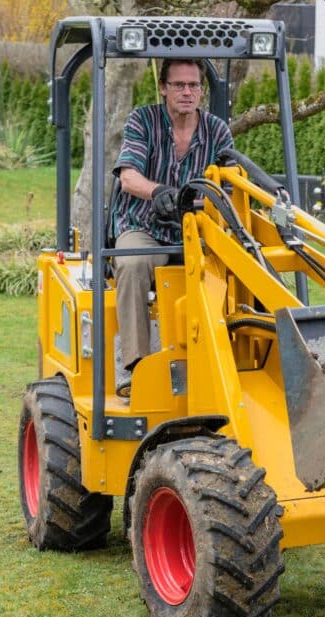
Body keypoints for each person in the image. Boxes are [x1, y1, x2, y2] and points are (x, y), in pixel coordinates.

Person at [111, 58, 235, 397]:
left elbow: (229, 185)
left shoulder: (217, 131)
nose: (187, 92)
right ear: (163, 88)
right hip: (143, 226)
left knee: (241, 267)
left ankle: (229, 364)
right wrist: (158, 192)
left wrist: (199, 205)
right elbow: (128, 176)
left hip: (196, 232)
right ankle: (135, 368)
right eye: (178, 85)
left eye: (194, 85)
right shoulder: (143, 120)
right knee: (133, 264)